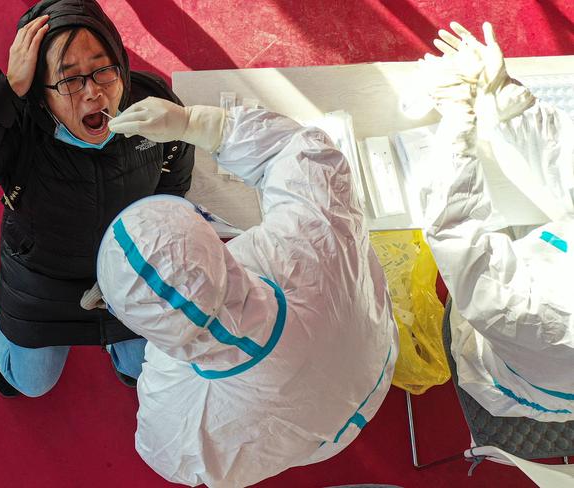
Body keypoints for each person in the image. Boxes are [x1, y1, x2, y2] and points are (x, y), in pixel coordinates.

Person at [82, 97, 399, 487]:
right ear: (214, 240)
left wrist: (143, 322)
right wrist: (197, 123)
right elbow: (303, 153)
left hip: (310, 439)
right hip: (372, 361)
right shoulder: (303, 244)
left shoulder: (173, 401)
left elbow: (165, 454)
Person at [0, 0, 194, 398]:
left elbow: (174, 179)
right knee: (32, 383)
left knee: (144, 368)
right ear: (39, 92)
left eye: (104, 69)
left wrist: (151, 251)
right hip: (43, 281)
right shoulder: (15, 127)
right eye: (69, 80)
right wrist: (6, 90)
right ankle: (2, 334)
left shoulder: (150, 103)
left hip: (127, 271)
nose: (93, 93)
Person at [420, 22, 574, 421]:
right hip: (536, 321)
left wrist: (457, 124)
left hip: (510, 367)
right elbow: (564, 166)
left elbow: (456, 234)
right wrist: (503, 94)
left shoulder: (548, 318)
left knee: (473, 321)